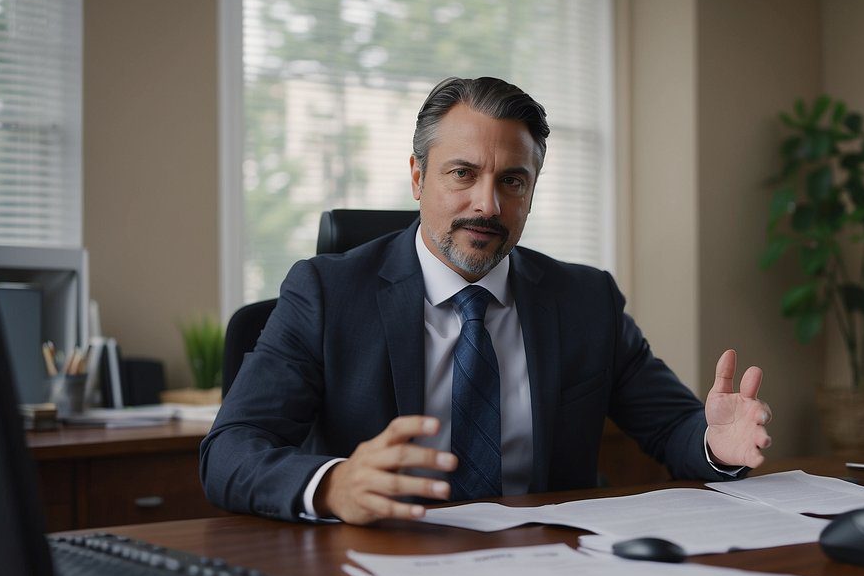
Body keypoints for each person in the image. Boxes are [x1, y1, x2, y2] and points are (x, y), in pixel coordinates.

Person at [200, 76, 772, 525]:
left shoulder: (584, 301)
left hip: (546, 570)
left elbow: (671, 425)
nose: (488, 205)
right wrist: (334, 484)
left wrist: (713, 444)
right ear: (418, 178)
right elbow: (229, 451)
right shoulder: (326, 294)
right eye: (462, 174)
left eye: (512, 181)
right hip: (381, 565)